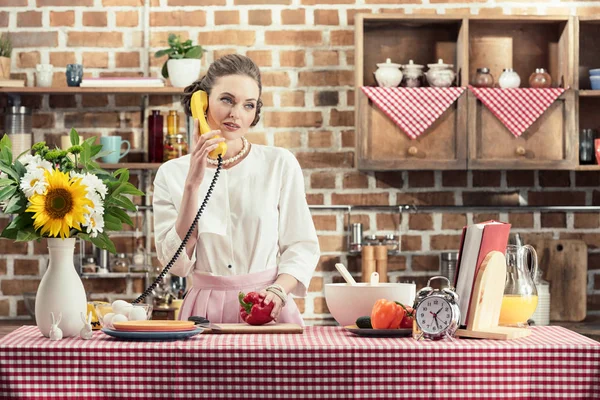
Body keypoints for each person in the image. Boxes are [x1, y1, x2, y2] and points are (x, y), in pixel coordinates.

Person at [153, 54, 320, 325]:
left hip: (268, 306)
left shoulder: (279, 163)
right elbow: (176, 265)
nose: (236, 114)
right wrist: (193, 185)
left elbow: (301, 245)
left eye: (248, 105)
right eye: (227, 100)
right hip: (203, 311)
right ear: (203, 102)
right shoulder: (171, 174)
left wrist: (278, 291)